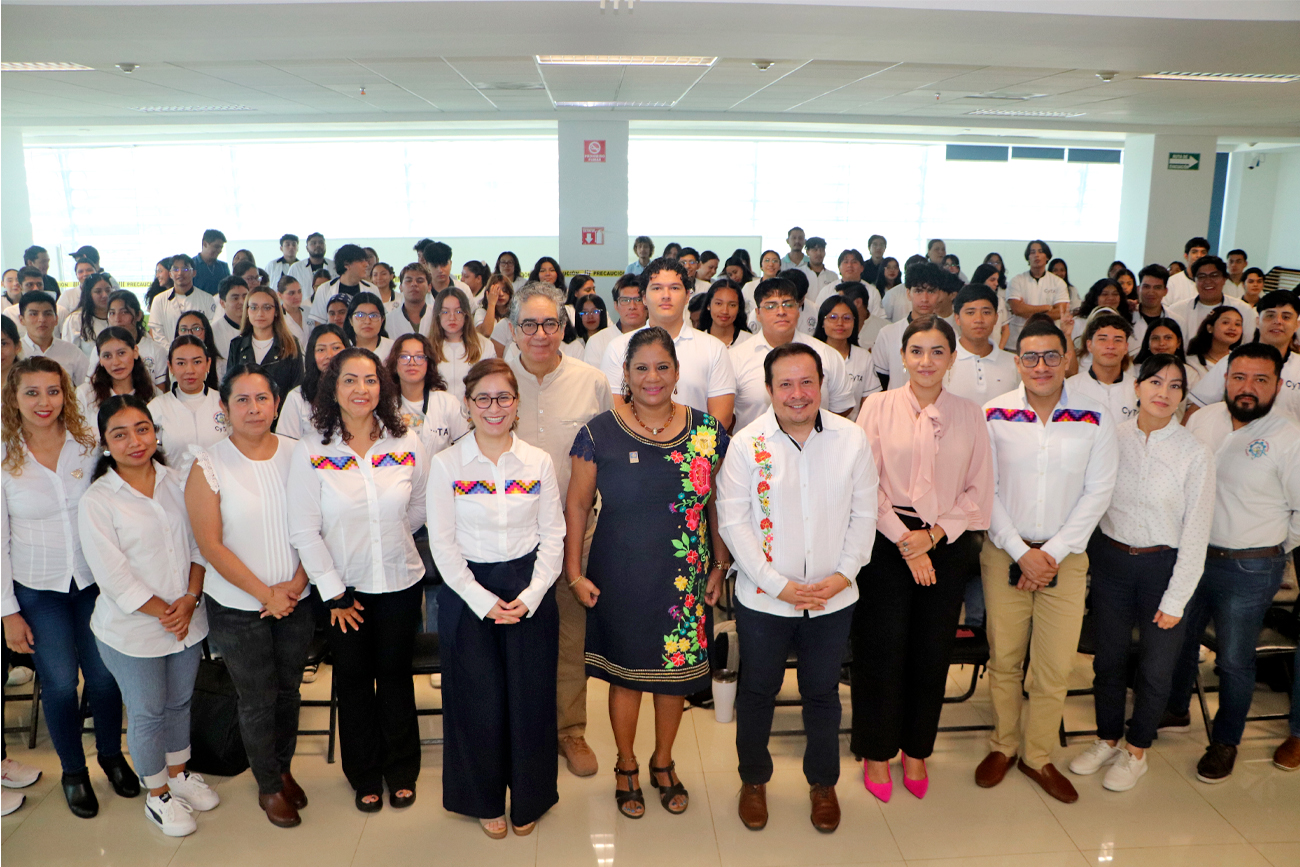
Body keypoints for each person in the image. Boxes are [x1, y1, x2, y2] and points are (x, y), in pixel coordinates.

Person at [566, 327, 729, 819]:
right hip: (620, 573)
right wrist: (575, 572)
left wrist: (720, 564)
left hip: (684, 577)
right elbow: (576, 506)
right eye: (641, 368)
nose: (652, 377)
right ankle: (626, 765)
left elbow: (716, 504)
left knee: (674, 678)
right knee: (628, 676)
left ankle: (663, 762)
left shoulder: (708, 433)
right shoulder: (598, 433)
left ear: (677, 373)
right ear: (627, 375)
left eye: (662, 367)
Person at [718, 342, 877, 833]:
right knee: (759, 691)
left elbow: (864, 516)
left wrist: (841, 576)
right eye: (784, 384)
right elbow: (733, 523)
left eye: (807, 381)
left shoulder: (851, 439)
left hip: (833, 598)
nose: (797, 393)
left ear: (821, 384)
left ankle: (823, 783)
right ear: (768, 390)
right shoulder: (747, 444)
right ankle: (754, 780)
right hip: (765, 600)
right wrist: (777, 585)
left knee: (823, 694)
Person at [977, 315, 1118, 804]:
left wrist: (1049, 554)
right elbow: (984, 489)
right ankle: (1003, 746)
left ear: (1067, 360)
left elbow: (1099, 491)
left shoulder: (1096, 415)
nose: (1041, 366)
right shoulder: (992, 414)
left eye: (1051, 356)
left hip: (1066, 558)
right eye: (1031, 357)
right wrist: (1021, 552)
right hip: (1004, 553)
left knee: (1055, 665)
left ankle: (1037, 756)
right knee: (1006, 658)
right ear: (1017, 362)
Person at [853, 316, 993, 802]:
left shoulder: (970, 414)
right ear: (902, 355)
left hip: (946, 544)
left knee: (931, 655)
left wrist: (931, 537)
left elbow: (980, 491)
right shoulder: (876, 406)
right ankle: (876, 750)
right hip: (885, 541)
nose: (926, 361)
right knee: (881, 650)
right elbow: (862, 483)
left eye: (937, 352)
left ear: (953, 359)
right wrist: (904, 539)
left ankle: (916, 749)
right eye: (916, 351)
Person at [425, 358, 564, 838]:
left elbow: (555, 535)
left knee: (531, 701)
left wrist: (531, 595)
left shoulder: (537, 461)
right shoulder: (447, 465)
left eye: (503, 397)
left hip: (531, 591)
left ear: (517, 404)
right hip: (469, 594)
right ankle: (483, 799)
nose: (493, 407)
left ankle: (529, 797)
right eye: (482, 398)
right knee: (477, 703)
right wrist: (483, 601)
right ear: (467, 406)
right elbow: (442, 545)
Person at [286, 347, 428, 812]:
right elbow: (304, 529)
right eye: (350, 380)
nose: (361, 390)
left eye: (370, 380)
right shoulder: (313, 450)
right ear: (333, 388)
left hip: (400, 582)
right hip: (342, 591)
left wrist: (386, 538)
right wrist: (334, 592)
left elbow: (420, 505)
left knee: (394, 677)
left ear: (382, 386)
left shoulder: (406, 441)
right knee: (352, 680)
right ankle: (364, 773)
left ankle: (401, 767)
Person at [1068, 354, 1214, 793]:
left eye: (1174, 386)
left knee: (1154, 668)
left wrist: (1176, 599)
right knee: (1108, 661)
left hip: (1163, 567)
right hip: (1112, 564)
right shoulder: (1111, 438)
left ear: (1182, 396)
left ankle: (1136, 750)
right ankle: (1107, 737)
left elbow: (1197, 531)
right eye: (1154, 382)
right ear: (1136, 387)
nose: (1163, 393)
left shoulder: (1195, 453)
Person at [3, 357, 139, 819]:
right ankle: (74, 772)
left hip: (93, 584)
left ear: (66, 394)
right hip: (37, 592)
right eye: (32, 393)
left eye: (53, 391)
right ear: (14, 398)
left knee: (104, 678)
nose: (45, 402)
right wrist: (8, 612)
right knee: (60, 685)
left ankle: (111, 757)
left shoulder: (86, 446)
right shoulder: (4, 455)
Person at [78, 395, 217, 837]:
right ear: (105, 443)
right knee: (147, 711)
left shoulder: (178, 481)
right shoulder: (98, 500)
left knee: (179, 702)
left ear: (155, 432)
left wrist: (190, 600)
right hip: (132, 630)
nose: (134, 441)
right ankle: (157, 796)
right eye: (119, 434)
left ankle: (179, 775)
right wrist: (168, 612)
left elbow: (201, 544)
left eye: (142, 429)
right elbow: (114, 577)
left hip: (187, 618)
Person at [1163, 344, 1300, 782]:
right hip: (1193, 557)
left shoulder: (1290, 438)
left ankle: (1226, 742)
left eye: (1261, 380)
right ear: (1225, 379)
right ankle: (1175, 709)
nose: (1248, 388)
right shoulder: (1203, 421)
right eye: (1239, 377)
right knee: (1178, 641)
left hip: (1250, 569)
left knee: (1235, 661)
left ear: (1278, 385)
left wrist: (1271, 546)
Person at [182, 364, 312, 827]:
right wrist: (265, 594)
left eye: (262, 399)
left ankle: (283, 767)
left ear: (276, 404)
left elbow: (320, 526)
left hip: (297, 597)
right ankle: (269, 785)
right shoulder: (207, 464)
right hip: (239, 607)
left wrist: (296, 584)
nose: (253, 408)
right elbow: (211, 544)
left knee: (290, 692)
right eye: (242, 400)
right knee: (257, 697)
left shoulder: (301, 454)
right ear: (224, 408)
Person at [501, 281, 612, 778]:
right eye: (529, 324)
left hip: (573, 531)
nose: (540, 334)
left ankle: (570, 730)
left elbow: (606, 458)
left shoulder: (591, 381)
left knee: (571, 636)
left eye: (550, 324)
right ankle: (514, 727)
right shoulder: (496, 381)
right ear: (512, 329)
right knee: (510, 632)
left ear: (564, 326)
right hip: (508, 535)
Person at [600, 258, 736, 430]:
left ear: (687, 296)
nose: (666, 295)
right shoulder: (618, 348)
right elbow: (615, 413)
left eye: (674, 288)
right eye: (657, 288)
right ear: (643, 297)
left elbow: (721, 418)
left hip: (695, 452)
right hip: (635, 452)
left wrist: (686, 453)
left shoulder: (713, 348)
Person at [731, 278, 855, 430]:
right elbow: (728, 415)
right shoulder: (735, 357)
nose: (781, 312)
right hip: (756, 449)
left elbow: (842, 408)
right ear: (757, 313)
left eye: (788, 304)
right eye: (771, 306)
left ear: (798, 310)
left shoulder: (826, 354)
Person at [1189, 291, 1300, 423]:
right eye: (1270, 315)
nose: (1278, 321)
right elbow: (1197, 408)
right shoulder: (1231, 361)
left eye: (1286, 317)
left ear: (1296, 325)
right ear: (1258, 322)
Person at [224, 285, 303, 408]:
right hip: (246, 415)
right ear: (247, 311)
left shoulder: (290, 345)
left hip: (281, 418)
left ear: (276, 311)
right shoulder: (237, 345)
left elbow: (297, 389)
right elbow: (230, 388)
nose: (260, 313)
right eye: (254, 307)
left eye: (267, 307)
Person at [873, 261, 948, 391]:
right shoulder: (888, 333)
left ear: (939, 294)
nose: (924, 298)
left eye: (931, 291)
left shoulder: (948, 332)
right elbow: (881, 380)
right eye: (918, 291)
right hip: (896, 407)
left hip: (939, 407)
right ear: (908, 293)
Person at [947, 284, 1019, 407]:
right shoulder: (944, 362)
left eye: (986, 312)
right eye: (970, 313)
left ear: (996, 318)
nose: (979, 319)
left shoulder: (1015, 363)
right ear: (957, 318)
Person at [812, 293, 881, 420]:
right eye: (833, 317)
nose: (840, 323)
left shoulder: (863, 357)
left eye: (847, 318)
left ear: (854, 322)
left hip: (853, 430)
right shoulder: (809, 355)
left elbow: (870, 402)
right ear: (822, 322)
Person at [277, 324, 349, 441]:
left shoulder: (358, 392)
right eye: (321, 350)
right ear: (312, 355)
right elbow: (286, 445)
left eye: (336, 348)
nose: (329, 355)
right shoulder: (297, 397)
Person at [1169, 255, 1255, 347]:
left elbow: (1247, 346)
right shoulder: (1176, 311)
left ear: (1224, 279)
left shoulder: (1243, 310)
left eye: (1214, 276)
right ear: (1194, 280)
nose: (1208, 281)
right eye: (1202, 276)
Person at [1067, 312, 1139, 424]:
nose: (1110, 346)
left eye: (1118, 340)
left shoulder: (1139, 389)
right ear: (1089, 345)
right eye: (1102, 339)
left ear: (1126, 347)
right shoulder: (1070, 388)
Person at [76, 327, 157, 421]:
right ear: (100, 359)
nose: (115, 362)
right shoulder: (85, 395)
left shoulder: (153, 395)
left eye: (121, 353)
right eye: (107, 356)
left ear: (135, 352)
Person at [426, 287, 489, 399]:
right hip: (437, 411)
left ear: (466, 314)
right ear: (437, 315)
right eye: (445, 312)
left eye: (458, 311)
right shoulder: (426, 347)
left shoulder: (484, 345)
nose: (452, 317)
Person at [1007, 240, 1069, 346]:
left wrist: (1026, 309)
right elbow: (1017, 309)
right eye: (1032, 252)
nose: (1036, 255)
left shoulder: (1058, 282)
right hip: (1018, 338)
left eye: (1040, 251)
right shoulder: (1017, 280)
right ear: (1028, 257)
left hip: (1049, 338)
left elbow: (1060, 312)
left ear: (1047, 257)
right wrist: (1047, 307)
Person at [19, 291, 89, 386]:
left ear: (56, 319)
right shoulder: (14, 352)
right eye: (33, 314)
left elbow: (87, 387)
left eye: (47, 314)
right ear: (21, 320)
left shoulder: (72, 351)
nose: (42, 319)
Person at [148, 255, 219, 347]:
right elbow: (157, 334)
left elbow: (211, 330)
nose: (180, 273)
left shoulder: (207, 298)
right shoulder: (159, 300)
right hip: (168, 355)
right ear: (170, 274)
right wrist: (173, 351)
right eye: (176, 269)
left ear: (194, 273)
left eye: (185, 269)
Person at [105, 291, 168, 389]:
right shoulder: (100, 350)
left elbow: (161, 393)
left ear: (138, 315)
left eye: (124, 312)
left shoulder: (156, 350)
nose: (117, 319)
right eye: (112, 313)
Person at [305, 244, 374, 329]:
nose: (366, 264)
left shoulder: (372, 289)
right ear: (347, 264)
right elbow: (319, 324)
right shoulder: (324, 289)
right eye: (361, 261)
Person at [584, 275, 647, 367]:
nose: (632, 306)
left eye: (638, 300)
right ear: (616, 305)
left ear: (647, 303)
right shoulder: (597, 341)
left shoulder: (660, 337)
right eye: (625, 300)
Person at [1184, 306, 1244, 380]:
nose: (1232, 328)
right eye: (1225, 322)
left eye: (1237, 324)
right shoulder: (1191, 363)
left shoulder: (1242, 362)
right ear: (1210, 328)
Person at [62, 272, 113, 358]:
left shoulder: (118, 316)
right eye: (98, 291)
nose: (105, 295)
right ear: (88, 294)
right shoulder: (76, 319)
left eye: (108, 290)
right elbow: (68, 356)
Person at [211, 276, 249, 381]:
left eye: (245, 297)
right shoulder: (213, 332)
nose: (242, 302)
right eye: (235, 298)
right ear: (222, 303)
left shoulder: (258, 327)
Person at [697, 279, 752, 348]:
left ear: (739, 308)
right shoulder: (696, 341)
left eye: (732, 305)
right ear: (708, 305)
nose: (725, 311)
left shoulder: (750, 341)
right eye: (718, 303)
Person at [343, 291, 393, 365]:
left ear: (382, 320)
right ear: (350, 320)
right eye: (360, 315)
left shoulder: (393, 348)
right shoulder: (342, 348)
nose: (367, 321)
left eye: (373, 315)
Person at [1165, 237, 1211, 306]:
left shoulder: (1212, 282)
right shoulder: (1173, 281)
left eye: (1203, 252)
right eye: (1194, 252)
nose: (1199, 255)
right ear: (1186, 256)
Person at [287, 233, 335, 297]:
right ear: (307, 248)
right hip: (303, 306)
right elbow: (288, 290)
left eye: (321, 242)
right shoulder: (296, 268)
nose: (318, 245)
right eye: (313, 243)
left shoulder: (334, 266)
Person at [192, 229, 230, 296]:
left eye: (221, 247)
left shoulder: (223, 266)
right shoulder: (191, 265)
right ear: (205, 244)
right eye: (216, 246)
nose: (219, 250)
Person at [277, 276, 307, 348]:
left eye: (299, 292)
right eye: (291, 293)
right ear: (280, 295)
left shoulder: (309, 311)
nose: (297, 296)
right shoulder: (277, 317)